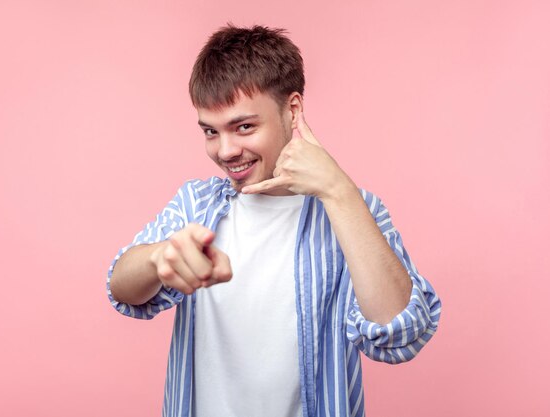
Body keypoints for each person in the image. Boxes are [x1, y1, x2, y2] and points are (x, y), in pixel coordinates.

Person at [106, 23, 441, 417]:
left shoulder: (354, 211)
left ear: (292, 109)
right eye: (210, 131)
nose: (226, 150)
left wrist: (338, 191)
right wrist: (158, 258)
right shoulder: (196, 204)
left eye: (244, 126)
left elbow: (401, 334)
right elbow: (121, 288)